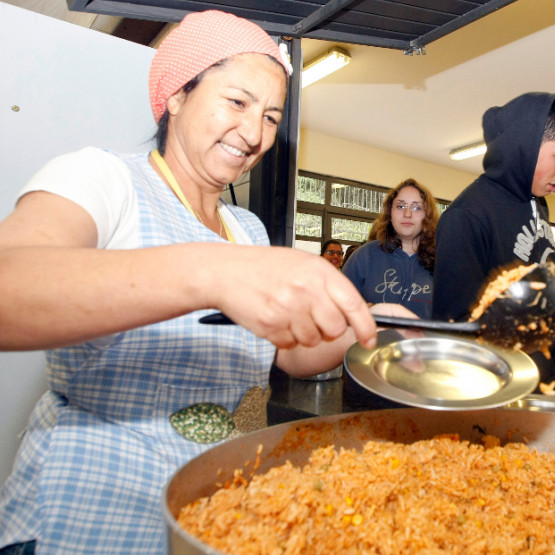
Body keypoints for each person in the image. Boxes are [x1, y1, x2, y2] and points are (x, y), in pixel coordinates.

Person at [0, 11, 412, 554]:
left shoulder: (246, 230)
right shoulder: (106, 178)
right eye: (237, 102)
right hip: (87, 518)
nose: (255, 133)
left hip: (209, 519)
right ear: (177, 95)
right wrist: (211, 271)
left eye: (270, 116)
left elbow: (289, 354)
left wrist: (370, 324)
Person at [432, 92, 555, 396]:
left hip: (541, 389)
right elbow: (455, 329)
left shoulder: (538, 202)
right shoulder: (467, 217)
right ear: (526, 147)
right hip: (493, 400)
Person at [343, 178, 438, 319]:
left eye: (416, 207)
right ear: (390, 212)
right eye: (400, 206)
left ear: (427, 215)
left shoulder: (441, 261)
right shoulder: (365, 256)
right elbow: (337, 308)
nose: (407, 214)